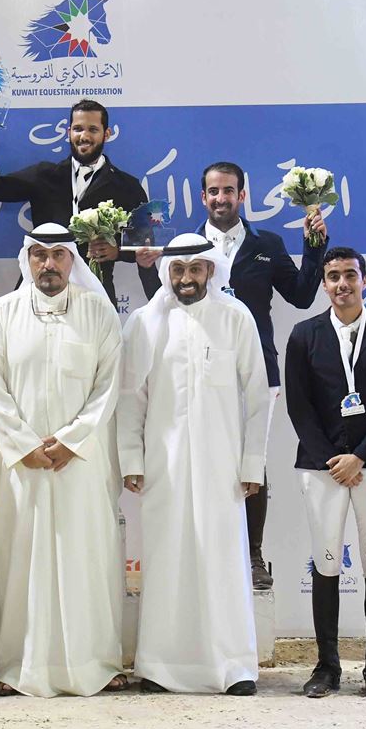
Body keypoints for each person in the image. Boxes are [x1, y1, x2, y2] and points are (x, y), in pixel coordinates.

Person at [0, 223, 127, 697]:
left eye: (58, 255)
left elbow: (108, 387)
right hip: (21, 466)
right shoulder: (2, 313)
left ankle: (97, 662)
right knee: (20, 561)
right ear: (27, 260)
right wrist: (25, 445)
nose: (48, 264)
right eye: (39, 255)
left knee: (88, 558)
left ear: (72, 261)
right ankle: (18, 664)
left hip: (80, 463)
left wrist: (70, 441)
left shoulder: (99, 313)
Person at [118, 234, 270, 695]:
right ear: (168, 273)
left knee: (222, 558)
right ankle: (162, 667)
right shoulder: (146, 322)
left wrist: (252, 465)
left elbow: (259, 395)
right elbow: (131, 397)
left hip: (222, 466)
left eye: (195, 269)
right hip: (164, 465)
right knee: (167, 560)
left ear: (211, 271)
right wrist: (131, 458)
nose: (186, 278)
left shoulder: (235, 317)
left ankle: (235, 667)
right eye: (178, 269)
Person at [192, 161, 329, 591]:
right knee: (203, 457)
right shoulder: (188, 246)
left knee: (253, 458)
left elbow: (304, 295)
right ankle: (203, 551)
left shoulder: (266, 243)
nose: (221, 198)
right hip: (201, 367)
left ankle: (253, 555)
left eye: (229, 191)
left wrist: (314, 247)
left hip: (258, 371)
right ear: (203, 197)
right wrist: (144, 265)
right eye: (213, 192)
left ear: (242, 195)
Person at [284, 246, 366, 700]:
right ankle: (327, 667)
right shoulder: (304, 335)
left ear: (364, 279)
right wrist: (333, 459)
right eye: (333, 276)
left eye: (350, 276)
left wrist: (361, 457)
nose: (342, 284)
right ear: (323, 283)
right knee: (327, 562)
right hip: (321, 468)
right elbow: (299, 406)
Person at [0, 99, 161, 304]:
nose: (84, 136)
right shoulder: (44, 175)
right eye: (78, 129)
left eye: (93, 130)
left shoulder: (127, 186)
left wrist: (117, 251)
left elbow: (144, 247)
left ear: (106, 134)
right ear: (68, 132)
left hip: (95, 293)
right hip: (40, 289)